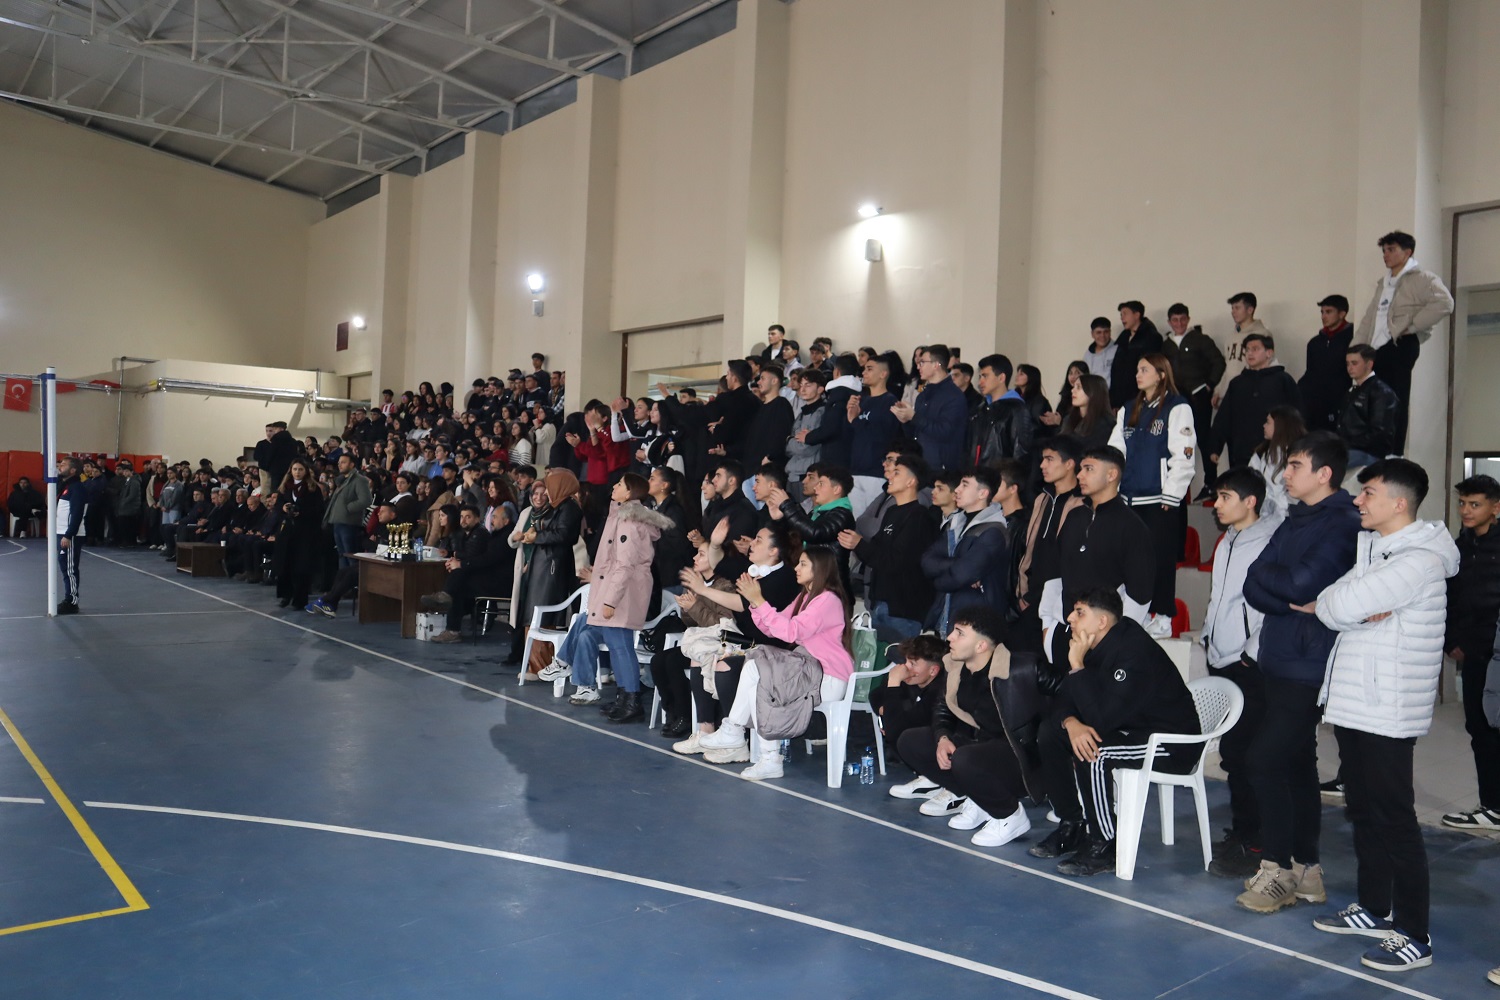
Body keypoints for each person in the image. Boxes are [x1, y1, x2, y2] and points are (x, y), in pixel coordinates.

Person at [1309, 459, 1457, 972]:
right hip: (1357, 702)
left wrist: (1345, 604)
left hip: (1387, 707)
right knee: (1364, 809)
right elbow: (1333, 602)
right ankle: (1375, 908)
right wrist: (1345, 604)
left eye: (1368, 492)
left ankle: (1415, 935)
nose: (1357, 500)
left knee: (1394, 819)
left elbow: (1335, 606)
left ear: (1399, 502)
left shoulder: (1417, 561)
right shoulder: (1377, 549)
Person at [1235, 431, 1360, 914]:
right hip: (1279, 653)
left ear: (1323, 474)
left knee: (1264, 760)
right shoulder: (1295, 519)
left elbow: (1302, 581)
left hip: (1308, 662)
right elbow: (1256, 581)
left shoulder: (1342, 522)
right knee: (1295, 764)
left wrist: (1284, 591)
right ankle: (1308, 871)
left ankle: (1279, 869)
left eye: (1295, 466)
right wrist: (1289, 598)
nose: (1285, 474)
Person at [1030, 588, 1201, 875]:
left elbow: (1101, 719)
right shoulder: (1091, 644)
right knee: (1051, 732)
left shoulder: (1133, 652)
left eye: (1079, 612)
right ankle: (1072, 824)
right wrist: (1070, 723)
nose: (1070, 617)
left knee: (1094, 751)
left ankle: (1104, 843)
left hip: (1170, 742)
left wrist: (1077, 665)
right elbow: (1063, 699)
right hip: (1128, 729)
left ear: (1102, 622)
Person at [697, 547, 855, 780]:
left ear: (820, 569)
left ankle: (742, 736)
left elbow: (791, 632)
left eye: (803, 564)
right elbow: (774, 629)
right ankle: (746, 740)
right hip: (808, 669)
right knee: (757, 666)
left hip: (828, 677)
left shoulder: (828, 600)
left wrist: (759, 600)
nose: (796, 568)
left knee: (761, 668)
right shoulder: (805, 597)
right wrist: (754, 603)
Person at [897, 605, 1047, 846]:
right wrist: (943, 737)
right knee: (911, 742)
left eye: (959, 633)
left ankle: (1010, 815)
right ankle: (979, 799)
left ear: (981, 646)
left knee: (965, 758)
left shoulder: (1023, 667)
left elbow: (1064, 696)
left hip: (1023, 757)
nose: (950, 638)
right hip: (985, 748)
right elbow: (942, 710)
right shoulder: (957, 669)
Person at [1200, 467, 1282, 878]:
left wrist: (1251, 650)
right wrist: (1208, 636)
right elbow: (1221, 598)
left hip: (1249, 663)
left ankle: (1259, 840)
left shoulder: (1270, 541)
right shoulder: (1227, 540)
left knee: (1252, 754)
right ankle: (1244, 830)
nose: (1217, 506)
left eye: (1225, 497)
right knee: (1233, 754)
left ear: (1250, 501)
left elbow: (1271, 605)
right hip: (1222, 656)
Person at [672, 523, 802, 762]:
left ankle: (737, 739)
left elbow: (743, 604)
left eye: (760, 540)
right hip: (743, 638)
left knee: (725, 664)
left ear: (774, 551)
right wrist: (715, 543)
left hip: (770, 647)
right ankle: (705, 730)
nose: (753, 543)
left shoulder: (783, 579)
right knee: (698, 652)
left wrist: (703, 590)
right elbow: (719, 561)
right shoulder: (752, 570)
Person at [553, 474, 674, 719]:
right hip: (621, 588)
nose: (614, 487)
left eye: (620, 485)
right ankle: (624, 697)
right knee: (618, 644)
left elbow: (625, 565)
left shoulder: (628, 521)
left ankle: (631, 700)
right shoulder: (621, 514)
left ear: (629, 493)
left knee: (620, 646)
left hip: (623, 592)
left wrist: (610, 600)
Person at [1041, 447, 1155, 668]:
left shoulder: (1132, 527)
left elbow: (1140, 594)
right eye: (1081, 468)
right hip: (1062, 633)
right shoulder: (1075, 517)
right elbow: (1054, 575)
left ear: (1111, 475)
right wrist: (1048, 625)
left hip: (1102, 642)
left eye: (1089, 469)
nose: (1080, 475)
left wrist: (1116, 641)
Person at [1109, 354, 1196, 635]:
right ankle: (1134, 612)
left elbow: (1183, 455)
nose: (1138, 374)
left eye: (1144, 369)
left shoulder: (1177, 406)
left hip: (1160, 501)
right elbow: (1115, 453)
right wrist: (1112, 489)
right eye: (1137, 369)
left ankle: (1164, 616)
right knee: (1128, 560)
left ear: (1161, 373)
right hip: (1128, 499)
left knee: (1160, 559)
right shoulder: (1128, 408)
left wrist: (1171, 495)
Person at [1352, 230, 1455, 453]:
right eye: (1384, 250)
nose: (1386, 255)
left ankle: (1392, 454)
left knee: (1394, 400)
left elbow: (1445, 304)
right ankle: (1372, 450)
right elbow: (1370, 318)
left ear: (1407, 252)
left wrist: (1412, 327)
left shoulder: (1422, 278)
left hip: (1399, 346)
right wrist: (1356, 349)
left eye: (1391, 249)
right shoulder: (1384, 283)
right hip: (1375, 349)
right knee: (1370, 399)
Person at [1443, 475, 1500, 831]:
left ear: (1495, 507)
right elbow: (1450, 599)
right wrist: (1451, 640)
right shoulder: (1458, 546)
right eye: (1463, 503)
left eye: (1474, 504)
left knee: (1491, 726)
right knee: (1480, 726)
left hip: (1497, 652)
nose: (1466, 510)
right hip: (1474, 653)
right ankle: (1492, 805)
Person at [839, 453, 939, 642]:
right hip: (881, 602)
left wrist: (859, 544)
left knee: (898, 662)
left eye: (897, 473)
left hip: (903, 609)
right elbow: (879, 551)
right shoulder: (892, 511)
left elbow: (898, 561)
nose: (889, 476)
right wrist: (857, 544)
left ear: (911, 481)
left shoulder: (919, 517)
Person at [1015, 436, 1086, 655]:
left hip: (1062, 604)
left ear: (1069, 463)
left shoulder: (1083, 503)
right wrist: (1023, 592)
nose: (1042, 465)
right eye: (1042, 459)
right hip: (1031, 599)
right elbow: (1030, 550)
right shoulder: (1042, 499)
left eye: (1049, 459)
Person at [921, 466, 1011, 637]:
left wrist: (939, 579)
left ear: (982, 493)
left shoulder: (993, 531)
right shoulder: (954, 524)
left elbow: (959, 576)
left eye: (965, 485)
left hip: (974, 625)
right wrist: (958, 565)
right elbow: (927, 562)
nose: (958, 490)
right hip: (944, 617)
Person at [505, 471, 583, 666]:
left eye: (550, 486)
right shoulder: (558, 506)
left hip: (552, 566)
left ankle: (541, 665)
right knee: (534, 614)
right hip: (543, 564)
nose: (546, 492)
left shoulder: (569, 507)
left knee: (543, 614)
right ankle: (534, 664)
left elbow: (565, 535)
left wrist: (536, 537)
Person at [1208, 327, 1301, 474]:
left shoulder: (1283, 380)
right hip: (1241, 452)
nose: (1250, 353)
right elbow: (1224, 417)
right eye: (1247, 350)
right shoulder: (1237, 383)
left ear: (1269, 353)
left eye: (1256, 349)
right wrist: (1215, 447)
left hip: (1275, 453)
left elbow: (1297, 415)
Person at [424, 504, 517, 644]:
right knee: (460, 582)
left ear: (506, 521)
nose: (492, 520)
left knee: (460, 579)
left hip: (501, 583)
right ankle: (451, 621)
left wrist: (460, 564)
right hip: (493, 577)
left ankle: (451, 621)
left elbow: (487, 559)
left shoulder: (505, 538)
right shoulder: (498, 535)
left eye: (495, 517)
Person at [1162, 303, 1226, 499]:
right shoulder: (1166, 346)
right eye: (1175, 320)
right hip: (1175, 398)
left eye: (1182, 319)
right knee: (1175, 439)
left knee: (1203, 438)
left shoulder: (1201, 340)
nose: (1179, 323)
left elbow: (1219, 361)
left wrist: (1209, 385)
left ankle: (1211, 483)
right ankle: (1175, 484)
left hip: (1198, 396)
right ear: (1169, 322)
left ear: (1188, 320)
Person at [874, 634, 950, 798]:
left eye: (913, 664)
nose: (906, 667)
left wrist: (893, 682)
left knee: (905, 736)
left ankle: (937, 780)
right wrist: (884, 710)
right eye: (906, 661)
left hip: (945, 745)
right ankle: (930, 779)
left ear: (933, 670)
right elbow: (875, 695)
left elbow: (895, 730)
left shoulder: (938, 692)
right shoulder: (914, 682)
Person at [892, 344, 967, 471]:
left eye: (922, 362)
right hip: (920, 463)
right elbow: (915, 434)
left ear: (936, 365)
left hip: (941, 467)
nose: (918, 366)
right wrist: (905, 420)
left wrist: (914, 417)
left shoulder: (953, 396)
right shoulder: (923, 395)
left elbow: (944, 432)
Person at [848, 353, 903, 515]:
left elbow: (880, 436)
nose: (864, 372)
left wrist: (855, 420)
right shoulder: (862, 400)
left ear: (883, 374)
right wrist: (851, 414)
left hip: (876, 472)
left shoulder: (890, 402)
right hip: (855, 469)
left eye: (869, 369)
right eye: (864, 369)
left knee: (872, 522)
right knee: (855, 522)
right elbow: (855, 434)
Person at [967, 353, 1037, 470]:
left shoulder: (1016, 409)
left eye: (985, 376)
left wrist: (1009, 481)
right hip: (978, 477)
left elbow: (1021, 453)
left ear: (1001, 378)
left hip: (1000, 480)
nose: (980, 382)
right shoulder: (980, 409)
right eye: (980, 377)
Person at [1337, 344, 1401, 468]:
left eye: (1354, 363)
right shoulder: (1354, 390)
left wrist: (1348, 443)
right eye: (1347, 363)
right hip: (1351, 449)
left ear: (1369, 364)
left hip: (1368, 453)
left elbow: (1380, 433)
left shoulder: (1381, 392)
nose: (1349, 368)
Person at [274, 459, 325, 611]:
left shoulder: (312, 488)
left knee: (301, 567)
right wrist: (283, 508)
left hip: (305, 532)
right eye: (295, 469)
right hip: (287, 531)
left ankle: (299, 598)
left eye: (300, 469)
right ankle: (285, 595)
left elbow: (318, 510)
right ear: (291, 470)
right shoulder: (284, 488)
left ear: (306, 471)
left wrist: (300, 512)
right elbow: (277, 507)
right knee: (285, 564)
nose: (297, 472)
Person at [1300, 295, 1355, 433]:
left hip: (1341, 403)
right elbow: (1310, 372)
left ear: (1342, 314)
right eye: (1322, 312)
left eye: (1329, 312)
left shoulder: (1353, 339)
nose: (1323, 316)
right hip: (1316, 404)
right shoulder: (1315, 343)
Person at [1248, 405, 1305, 520]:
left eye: (1268, 422)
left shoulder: (1302, 455)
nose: (1264, 425)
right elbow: (1251, 483)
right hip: (1265, 515)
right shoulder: (1261, 454)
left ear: (1281, 426)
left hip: (1290, 517)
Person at [1109, 301, 1164, 410]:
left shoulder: (1151, 337)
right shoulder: (1123, 339)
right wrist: (1114, 401)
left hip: (1140, 395)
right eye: (1121, 315)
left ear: (1137, 315)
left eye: (1125, 313)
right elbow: (1116, 371)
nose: (1122, 318)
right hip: (1122, 398)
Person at [322, 454, 372, 570]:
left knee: (351, 557)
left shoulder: (360, 480)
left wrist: (348, 508)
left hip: (349, 524)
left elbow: (365, 500)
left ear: (352, 464)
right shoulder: (342, 480)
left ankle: (353, 584)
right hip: (338, 522)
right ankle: (344, 584)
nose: (339, 464)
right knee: (342, 556)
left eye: (343, 462)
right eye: (339, 462)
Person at [54, 457, 87, 615]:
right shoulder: (65, 486)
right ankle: (69, 597)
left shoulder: (77, 488)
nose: (60, 467)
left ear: (73, 470)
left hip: (69, 534)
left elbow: (77, 513)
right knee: (64, 565)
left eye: (64, 465)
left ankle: (72, 600)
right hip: (61, 532)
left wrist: (69, 534)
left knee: (70, 567)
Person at [1059, 373, 1113, 451]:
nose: (1072, 390)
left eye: (1079, 387)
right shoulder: (1069, 418)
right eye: (1074, 386)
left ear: (1093, 391)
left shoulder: (1105, 423)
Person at [254, 420, 297, 494]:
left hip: (276, 471)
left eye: (275, 429)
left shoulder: (276, 440)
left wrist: (265, 466)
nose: (273, 431)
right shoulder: (293, 441)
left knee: (275, 491)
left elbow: (270, 455)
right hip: (289, 470)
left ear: (281, 429)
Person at [1084, 318, 1117, 390]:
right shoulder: (1088, 355)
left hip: (1114, 397)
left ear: (1110, 332)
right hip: (1094, 397)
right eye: (1098, 332)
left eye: (1106, 332)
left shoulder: (1118, 350)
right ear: (1092, 334)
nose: (1102, 336)